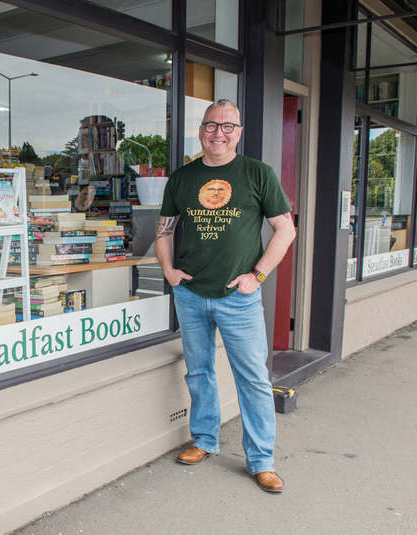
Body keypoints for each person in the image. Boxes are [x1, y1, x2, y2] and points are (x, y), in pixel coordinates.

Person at [154, 99, 296, 493]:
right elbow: (164, 230)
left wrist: (258, 275)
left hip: (239, 296)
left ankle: (261, 460)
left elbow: (285, 230)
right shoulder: (182, 178)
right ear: (201, 131)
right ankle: (205, 439)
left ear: (239, 131)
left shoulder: (257, 174)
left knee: (252, 378)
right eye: (211, 125)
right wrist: (169, 272)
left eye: (227, 126)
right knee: (199, 372)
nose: (219, 133)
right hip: (191, 294)